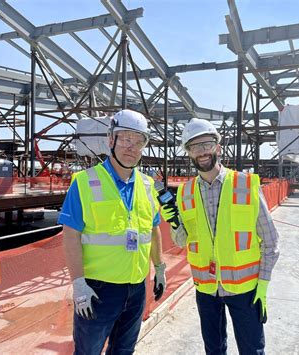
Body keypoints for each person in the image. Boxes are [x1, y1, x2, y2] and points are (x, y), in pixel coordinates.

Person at [161, 118, 279, 355]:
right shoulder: (185, 192)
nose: (202, 152)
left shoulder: (244, 184)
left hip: (245, 289)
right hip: (206, 289)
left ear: (218, 147)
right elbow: (184, 241)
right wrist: (174, 222)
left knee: (252, 350)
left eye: (206, 144)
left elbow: (271, 241)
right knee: (213, 350)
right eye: (194, 147)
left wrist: (263, 284)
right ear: (189, 153)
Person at [59, 109, 166, 355]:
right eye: (126, 139)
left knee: (124, 350)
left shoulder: (148, 185)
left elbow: (153, 229)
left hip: (136, 287)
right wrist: (79, 284)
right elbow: (71, 234)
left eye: (139, 142)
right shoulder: (85, 182)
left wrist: (159, 268)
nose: (132, 147)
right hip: (98, 290)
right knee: (88, 351)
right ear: (111, 140)